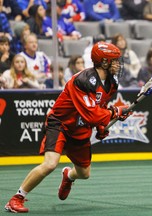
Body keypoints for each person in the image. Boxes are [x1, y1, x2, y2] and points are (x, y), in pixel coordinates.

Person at [4, 41, 132, 213]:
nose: (118, 64)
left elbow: (98, 108)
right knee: (50, 164)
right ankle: (16, 198)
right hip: (61, 124)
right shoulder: (83, 81)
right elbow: (92, 114)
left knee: (84, 173)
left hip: (80, 128)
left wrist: (102, 127)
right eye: (114, 60)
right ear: (104, 62)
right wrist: (115, 112)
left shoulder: (111, 83)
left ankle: (68, 176)